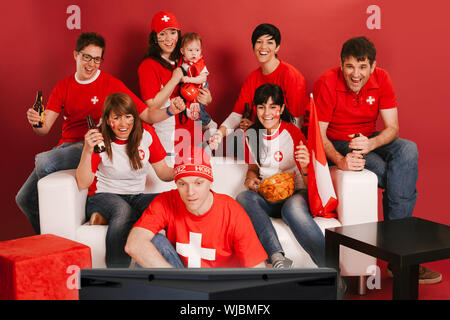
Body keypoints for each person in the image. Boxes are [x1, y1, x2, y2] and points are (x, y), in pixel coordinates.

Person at [313, 36, 441, 284]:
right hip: (338, 140)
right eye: (350, 66)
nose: (356, 74)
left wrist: (371, 143)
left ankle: (397, 252)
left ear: (373, 66)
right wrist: (340, 161)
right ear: (341, 65)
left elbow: (392, 128)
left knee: (408, 150)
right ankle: (401, 254)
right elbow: (319, 136)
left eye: (362, 67)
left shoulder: (382, 79)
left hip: (368, 138)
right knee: (391, 173)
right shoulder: (326, 82)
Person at [16, 32, 157, 235]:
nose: (91, 63)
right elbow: (43, 128)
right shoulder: (63, 86)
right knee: (23, 199)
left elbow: (146, 114)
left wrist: (171, 110)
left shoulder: (110, 83)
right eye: (86, 57)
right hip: (65, 148)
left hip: (91, 144)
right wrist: (35, 122)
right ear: (76, 55)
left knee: (44, 162)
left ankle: (94, 211)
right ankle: (48, 241)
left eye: (97, 59)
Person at [125, 146, 267, 268]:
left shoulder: (232, 211)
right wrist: (178, 282)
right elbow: (134, 245)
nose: (190, 192)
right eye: (182, 184)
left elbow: (257, 267)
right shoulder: (165, 201)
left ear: (210, 182)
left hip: (221, 286)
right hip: (182, 280)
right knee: (155, 242)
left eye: (198, 183)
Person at [75, 93, 173, 268]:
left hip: (135, 196)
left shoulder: (146, 134)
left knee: (168, 200)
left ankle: (104, 219)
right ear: (107, 119)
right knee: (123, 211)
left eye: (128, 117)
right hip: (103, 196)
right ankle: (117, 274)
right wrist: (87, 151)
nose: (123, 124)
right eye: (116, 118)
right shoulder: (99, 138)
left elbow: (164, 172)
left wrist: (184, 170)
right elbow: (83, 183)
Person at [236, 84, 325, 269]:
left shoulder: (292, 133)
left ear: (281, 109)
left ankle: (332, 268)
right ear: (255, 109)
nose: (266, 112)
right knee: (244, 197)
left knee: (291, 210)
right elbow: (253, 168)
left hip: (295, 194)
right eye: (261, 107)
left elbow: (311, 184)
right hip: (268, 195)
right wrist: (249, 178)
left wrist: (307, 165)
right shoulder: (250, 135)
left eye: (273, 107)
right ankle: (278, 259)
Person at [209, 23, 307, 152]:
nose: (263, 47)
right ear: (253, 46)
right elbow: (236, 115)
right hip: (262, 142)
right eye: (259, 42)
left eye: (269, 42)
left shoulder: (292, 76)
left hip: (290, 144)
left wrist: (261, 130)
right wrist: (219, 134)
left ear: (277, 47)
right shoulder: (253, 77)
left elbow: (297, 123)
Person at [138, 11, 213, 156]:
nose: (168, 39)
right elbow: (152, 106)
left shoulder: (186, 57)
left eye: (172, 32)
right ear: (154, 37)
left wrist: (207, 98)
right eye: (162, 34)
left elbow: (199, 87)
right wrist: (174, 79)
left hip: (194, 136)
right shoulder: (148, 66)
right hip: (169, 143)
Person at [179, 32, 217, 132]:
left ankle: (209, 123)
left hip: (200, 88)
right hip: (189, 90)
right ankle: (201, 127)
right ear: (182, 51)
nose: (194, 53)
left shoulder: (199, 63)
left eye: (197, 50)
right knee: (190, 112)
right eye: (190, 50)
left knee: (198, 110)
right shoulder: (182, 63)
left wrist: (189, 79)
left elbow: (203, 78)